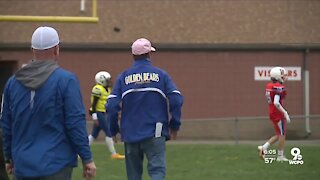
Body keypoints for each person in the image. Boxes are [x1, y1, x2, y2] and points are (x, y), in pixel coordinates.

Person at [0, 26, 96, 179]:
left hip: (23, 163)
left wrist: (8, 157)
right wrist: (87, 158)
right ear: (56, 49)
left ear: (32, 50)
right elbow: (75, 122)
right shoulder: (66, 80)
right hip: (56, 163)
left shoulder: (13, 83)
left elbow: (6, 124)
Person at [106, 38, 183, 180]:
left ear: (133, 55)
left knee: (133, 175)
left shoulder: (123, 77)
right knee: (157, 171)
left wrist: (113, 129)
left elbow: (111, 106)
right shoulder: (161, 75)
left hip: (130, 132)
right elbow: (176, 99)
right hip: (156, 131)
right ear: (149, 54)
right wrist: (175, 124)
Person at [88, 71, 125, 159]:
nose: (109, 82)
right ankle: (113, 154)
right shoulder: (97, 89)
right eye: (107, 80)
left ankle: (79, 152)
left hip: (103, 112)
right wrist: (95, 117)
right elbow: (94, 104)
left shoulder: (107, 89)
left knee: (94, 135)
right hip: (98, 112)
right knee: (108, 132)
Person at [258, 66, 291, 162]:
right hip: (278, 113)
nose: (285, 77)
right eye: (283, 75)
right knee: (282, 135)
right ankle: (280, 156)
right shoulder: (278, 87)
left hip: (272, 111)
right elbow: (276, 102)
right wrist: (285, 113)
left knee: (278, 134)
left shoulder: (270, 85)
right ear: (278, 77)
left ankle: (264, 147)